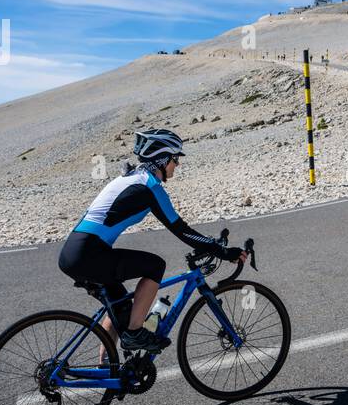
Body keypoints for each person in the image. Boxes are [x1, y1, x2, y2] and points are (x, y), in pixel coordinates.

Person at [58, 129, 243, 353]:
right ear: (162, 160)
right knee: (155, 265)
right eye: (175, 159)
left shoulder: (129, 178)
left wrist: (211, 245)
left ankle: (107, 372)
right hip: (88, 253)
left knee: (121, 310)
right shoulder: (149, 187)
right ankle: (135, 334)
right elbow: (181, 231)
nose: (178, 165)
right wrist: (223, 251)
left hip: (76, 252)